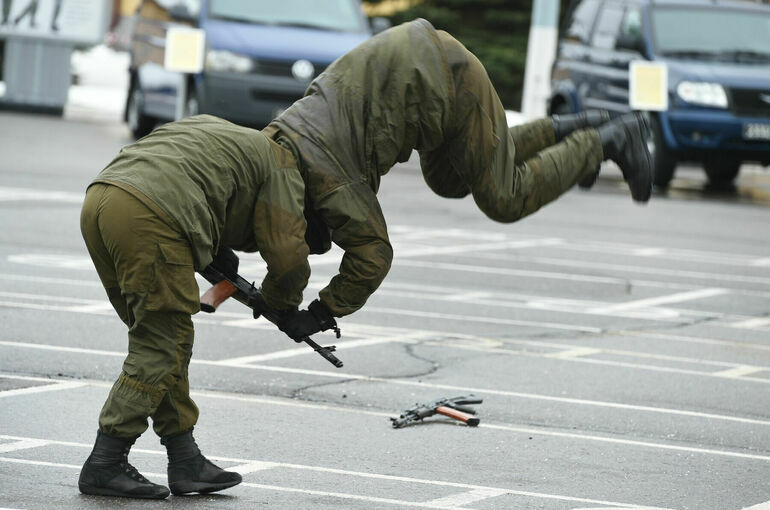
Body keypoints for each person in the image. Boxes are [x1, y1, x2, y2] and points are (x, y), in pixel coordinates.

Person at [262, 18, 653, 324]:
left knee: (505, 197)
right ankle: (572, 128)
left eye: (325, 231)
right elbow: (258, 215)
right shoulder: (276, 148)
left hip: (445, 77)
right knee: (449, 180)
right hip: (419, 74)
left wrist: (320, 313)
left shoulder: (329, 179)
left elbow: (373, 255)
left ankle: (610, 140)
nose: (333, 232)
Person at [78, 115, 322, 499]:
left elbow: (196, 183)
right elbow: (288, 258)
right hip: (150, 215)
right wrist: (286, 308)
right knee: (162, 346)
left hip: (103, 200)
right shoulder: (284, 167)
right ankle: (105, 462)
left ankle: (185, 459)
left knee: (162, 342)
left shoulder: (227, 137)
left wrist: (215, 250)